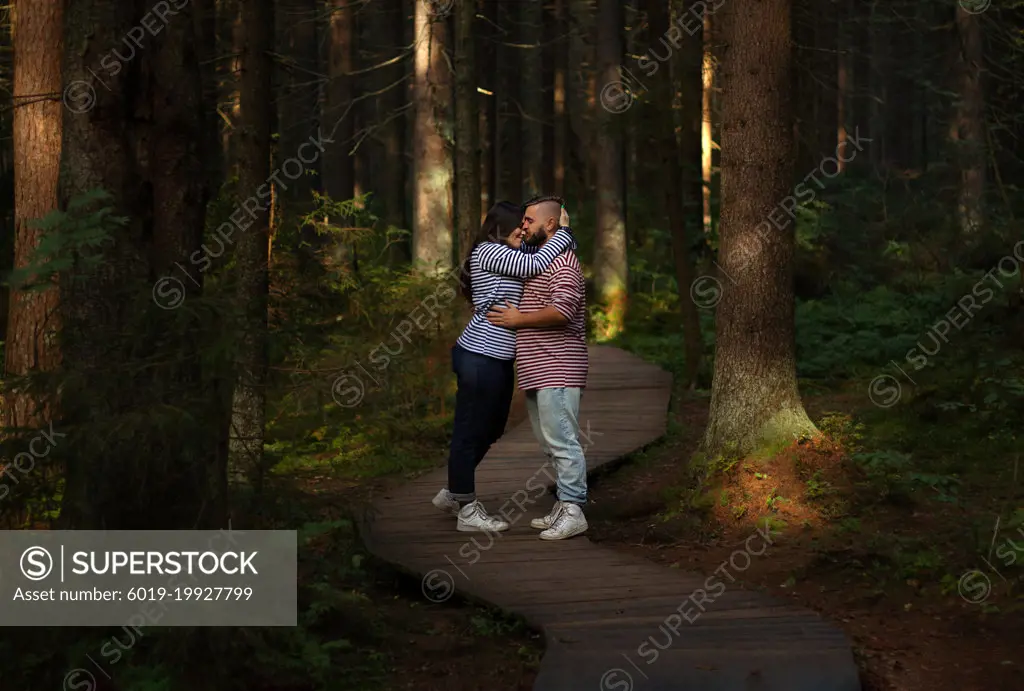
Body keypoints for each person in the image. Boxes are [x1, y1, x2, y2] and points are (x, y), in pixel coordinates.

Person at [432, 200, 576, 532]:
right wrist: (565, 231)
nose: (523, 232)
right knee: (469, 429)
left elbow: (546, 253)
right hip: (480, 355)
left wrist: (559, 231)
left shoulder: (510, 250)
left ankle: (455, 489)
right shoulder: (489, 251)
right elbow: (538, 262)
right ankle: (466, 508)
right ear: (500, 228)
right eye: (518, 227)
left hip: (496, 359)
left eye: (526, 225)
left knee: (493, 427)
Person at [486, 196, 589, 540]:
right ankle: (563, 504)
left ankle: (574, 510)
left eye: (529, 220)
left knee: (563, 442)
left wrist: (519, 319)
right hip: (538, 370)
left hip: (558, 368)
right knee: (551, 444)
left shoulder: (564, 264)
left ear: (550, 225)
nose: (522, 225)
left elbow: (563, 311)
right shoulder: (539, 261)